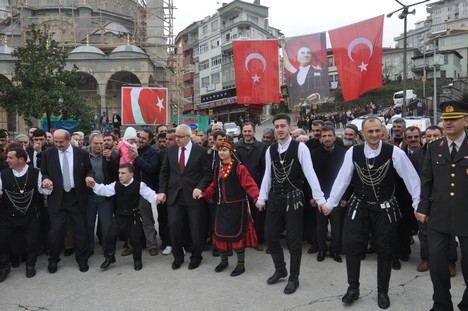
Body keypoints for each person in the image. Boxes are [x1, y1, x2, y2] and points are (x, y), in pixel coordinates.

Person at [321, 117, 420, 309]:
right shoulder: (353, 152)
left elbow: (411, 179)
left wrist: (418, 204)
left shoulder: (395, 152)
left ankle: (383, 292)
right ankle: (353, 288)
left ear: (383, 132)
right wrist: (330, 203)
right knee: (352, 247)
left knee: (384, 250)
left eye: (377, 131)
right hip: (359, 206)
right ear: (363, 134)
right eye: (370, 131)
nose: (374, 135)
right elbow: (342, 179)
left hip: (385, 208)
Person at [256, 113, 325, 295]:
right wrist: (261, 198)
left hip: (294, 199)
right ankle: (281, 269)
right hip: (275, 198)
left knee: (294, 241)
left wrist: (320, 199)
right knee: (270, 236)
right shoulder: (270, 150)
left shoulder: (300, 148)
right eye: (277, 126)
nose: (279, 129)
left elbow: (310, 174)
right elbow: (268, 176)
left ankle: (294, 277)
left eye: (282, 126)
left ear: (289, 127)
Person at [416, 100, 468, 311]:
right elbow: (427, 180)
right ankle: (441, 304)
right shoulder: (433, 147)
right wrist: (422, 208)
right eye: (446, 119)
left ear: (465, 120)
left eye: (454, 119)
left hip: (466, 214)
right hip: (438, 214)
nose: (448, 123)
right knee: (437, 265)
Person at [157, 124, 212, 270]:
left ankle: (196, 256)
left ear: (188, 137)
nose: (177, 139)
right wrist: (162, 191)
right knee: (174, 227)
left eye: (180, 137)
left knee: (196, 228)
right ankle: (178, 257)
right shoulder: (171, 151)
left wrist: (200, 187)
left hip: (193, 196)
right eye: (176, 136)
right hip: (174, 196)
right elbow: (164, 173)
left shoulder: (200, 152)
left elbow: (207, 173)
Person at [41, 129, 95, 274]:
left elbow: (89, 170)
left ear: (69, 139)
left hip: (76, 197)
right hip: (57, 198)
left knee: (80, 231)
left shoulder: (81, 154)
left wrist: (89, 177)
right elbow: (44, 171)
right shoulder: (48, 154)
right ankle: (53, 260)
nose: (57, 144)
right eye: (56, 141)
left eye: (61, 142)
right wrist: (45, 179)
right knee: (55, 232)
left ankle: (82, 260)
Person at [201, 141, 259, 276]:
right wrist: (204, 193)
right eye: (219, 150)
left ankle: (240, 265)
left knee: (238, 237)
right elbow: (214, 186)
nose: (221, 152)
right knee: (221, 236)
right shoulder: (217, 168)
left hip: (238, 207)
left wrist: (257, 198)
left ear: (231, 152)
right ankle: (224, 261)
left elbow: (250, 185)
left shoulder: (240, 168)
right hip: (222, 207)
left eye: (224, 150)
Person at [89, 163, 156, 271]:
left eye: (123, 173)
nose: (120, 175)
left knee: (135, 240)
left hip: (133, 217)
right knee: (110, 236)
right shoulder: (116, 185)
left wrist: (158, 197)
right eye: (119, 173)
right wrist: (94, 185)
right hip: (119, 216)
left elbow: (150, 194)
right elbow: (105, 190)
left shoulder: (139, 185)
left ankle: (137, 259)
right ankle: (110, 258)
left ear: (131, 174)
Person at [0, 148, 51, 282]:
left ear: (21, 159)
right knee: (3, 240)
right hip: (8, 214)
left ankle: (30, 265)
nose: (7, 160)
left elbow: (44, 191)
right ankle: (4, 267)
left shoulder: (36, 173)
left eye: (10, 158)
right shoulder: (3, 174)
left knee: (32, 241)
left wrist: (48, 186)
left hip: (30, 214)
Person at [312, 125, 347, 263]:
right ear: (321, 138)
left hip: (338, 197)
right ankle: (322, 249)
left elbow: (348, 178)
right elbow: (310, 177)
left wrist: (345, 197)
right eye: (324, 136)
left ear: (334, 137)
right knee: (320, 226)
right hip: (320, 197)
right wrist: (313, 196)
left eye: (329, 136)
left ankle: (335, 250)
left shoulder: (344, 153)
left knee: (336, 225)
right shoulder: (314, 154)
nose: (327, 138)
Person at [234, 123, 266, 251]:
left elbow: (265, 169)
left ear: (254, 131)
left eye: (249, 131)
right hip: (239, 186)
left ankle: (258, 240)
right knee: (241, 215)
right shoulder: (236, 147)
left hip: (257, 186)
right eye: (245, 131)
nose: (247, 133)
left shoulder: (262, 148)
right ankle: (241, 239)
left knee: (258, 215)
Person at [129, 129, 160, 256]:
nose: (140, 139)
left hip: (144, 190)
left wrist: (137, 158)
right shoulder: (131, 148)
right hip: (130, 189)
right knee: (131, 219)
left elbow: (151, 169)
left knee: (146, 217)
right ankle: (133, 244)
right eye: (139, 136)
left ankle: (152, 244)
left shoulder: (153, 153)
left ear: (150, 140)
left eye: (143, 138)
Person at [87, 133, 118, 254]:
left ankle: (108, 249)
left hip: (105, 194)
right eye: (96, 143)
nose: (100, 146)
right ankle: (88, 248)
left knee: (107, 224)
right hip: (89, 195)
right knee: (88, 223)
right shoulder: (84, 156)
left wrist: (110, 159)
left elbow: (116, 173)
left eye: (101, 143)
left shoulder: (110, 155)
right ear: (90, 143)